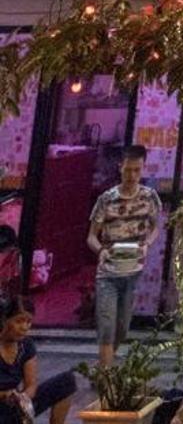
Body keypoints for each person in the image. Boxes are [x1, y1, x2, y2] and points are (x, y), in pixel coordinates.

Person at [87, 145, 161, 368]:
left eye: (137, 170)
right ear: (120, 167)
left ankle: (105, 364)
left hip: (132, 270)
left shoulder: (149, 197)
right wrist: (101, 250)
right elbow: (91, 236)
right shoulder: (107, 199)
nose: (132, 175)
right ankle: (106, 374)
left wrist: (147, 244)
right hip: (108, 272)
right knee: (107, 326)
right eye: (128, 170)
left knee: (122, 327)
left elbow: (155, 228)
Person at [0, 295, 76, 424]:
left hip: (14, 406)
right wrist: (4, 395)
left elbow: (31, 385)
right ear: (4, 320)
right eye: (19, 321)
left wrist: (22, 398)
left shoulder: (26, 346)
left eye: (28, 322)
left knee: (66, 382)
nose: (24, 327)